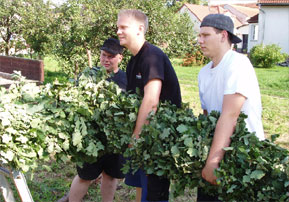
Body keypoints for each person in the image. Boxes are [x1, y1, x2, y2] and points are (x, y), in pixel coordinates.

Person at [197, 14, 265, 201]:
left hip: (243, 156)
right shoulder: (203, 73)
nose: (200, 40)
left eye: (206, 35)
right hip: (217, 149)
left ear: (223, 35)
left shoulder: (238, 64)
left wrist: (213, 162)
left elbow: (230, 115)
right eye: (199, 36)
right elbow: (207, 116)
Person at [117, 9, 182, 202]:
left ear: (139, 29)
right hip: (144, 137)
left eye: (123, 27)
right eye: (117, 27)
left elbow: (151, 100)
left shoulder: (151, 56)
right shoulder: (133, 62)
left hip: (157, 139)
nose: (119, 31)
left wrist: (135, 137)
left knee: (154, 193)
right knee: (140, 185)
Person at [57, 38, 127, 202]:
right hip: (90, 139)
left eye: (110, 56)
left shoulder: (126, 79)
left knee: (110, 176)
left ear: (120, 58)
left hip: (115, 141)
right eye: (103, 55)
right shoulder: (88, 75)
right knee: (85, 176)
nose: (106, 59)